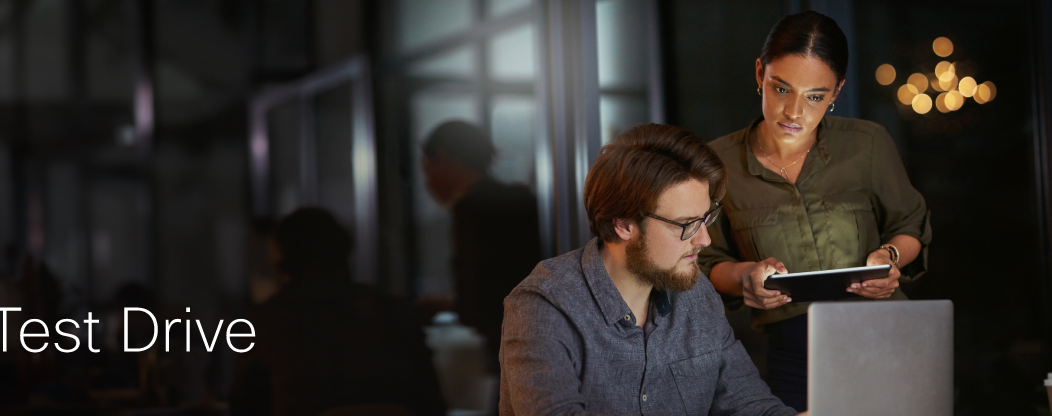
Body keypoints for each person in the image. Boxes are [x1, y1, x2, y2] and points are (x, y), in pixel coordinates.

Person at [698, 11, 933, 411]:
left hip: (888, 339)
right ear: (760, 74)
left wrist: (889, 258)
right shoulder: (717, 164)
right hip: (792, 353)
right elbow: (704, 260)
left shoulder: (867, 144)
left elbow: (910, 225)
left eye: (815, 97)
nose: (793, 112)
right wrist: (745, 277)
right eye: (781, 88)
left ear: (837, 90)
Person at [499, 123, 804, 416]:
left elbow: (751, 406)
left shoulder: (696, 294)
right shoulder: (545, 305)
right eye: (686, 225)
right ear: (623, 224)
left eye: (706, 218)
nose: (704, 239)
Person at [229, 208, 446, 416]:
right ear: (344, 249)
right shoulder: (397, 310)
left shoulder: (265, 321)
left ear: (281, 259)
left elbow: (244, 406)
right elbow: (432, 403)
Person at [421, 120, 543, 374]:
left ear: (442, 157)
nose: (427, 180)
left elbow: (480, 291)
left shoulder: (471, 208)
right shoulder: (519, 200)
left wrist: (449, 305)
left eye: (427, 167)